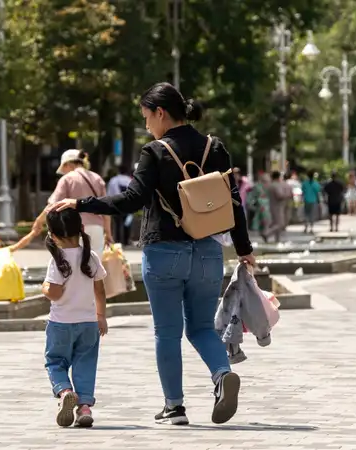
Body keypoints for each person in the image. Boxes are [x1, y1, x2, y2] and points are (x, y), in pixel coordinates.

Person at [49, 82, 254, 426]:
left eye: (146, 117)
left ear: (160, 113)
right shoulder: (214, 148)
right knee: (203, 327)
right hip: (207, 251)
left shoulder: (154, 151)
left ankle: (175, 406)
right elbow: (233, 202)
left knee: (167, 332)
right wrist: (244, 249)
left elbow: (132, 199)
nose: (146, 126)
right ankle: (221, 373)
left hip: (164, 252)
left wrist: (82, 203)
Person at [42, 208, 108, 428]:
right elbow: (100, 291)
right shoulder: (91, 257)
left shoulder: (57, 260)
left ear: (52, 234)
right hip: (89, 323)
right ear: (81, 229)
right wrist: (101, 316)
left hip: (61, 323)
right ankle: (84, 407)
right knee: (85, 364)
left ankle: (65, 391)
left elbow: (55, 292)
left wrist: (44, 288)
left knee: (55, 362)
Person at [10, 150, 113, 257]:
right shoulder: (97, 178)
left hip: (75, 229)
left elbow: (53, 205)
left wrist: (39, 221)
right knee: (95, 266)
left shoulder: (67, 179)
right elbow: (105, 208)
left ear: (68, 164)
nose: (64, 172)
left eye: (64, 168)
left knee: (75, 264)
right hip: (97, 228)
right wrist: (108, 233)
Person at [106, 168, 133, 246]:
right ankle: (126, 240)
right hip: (127, 204)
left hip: (116, 204)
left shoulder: (113, 180)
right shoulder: (129, 180)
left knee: (117, 223)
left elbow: (109, 193)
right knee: (127, 223)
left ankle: (117, 240)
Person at [266, 171, 289, 242]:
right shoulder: (276, 185)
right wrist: (287, 195)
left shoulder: (271, 185)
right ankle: (267, 233)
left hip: (272, 206)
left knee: (276, 223)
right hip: (278, 207)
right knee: (280, 224)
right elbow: (280, 196)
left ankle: (277, 239)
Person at [247, 174, 272, 240]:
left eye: (268, 180)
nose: (267, 182)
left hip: (268, 205)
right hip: (260, 205)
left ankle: (265, 233)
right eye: (265, 180)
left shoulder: (270, 186)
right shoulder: (257, 186)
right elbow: (251, 195)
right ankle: (264, 233)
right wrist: (250, 204)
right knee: (261, 220)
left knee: (266, 220)